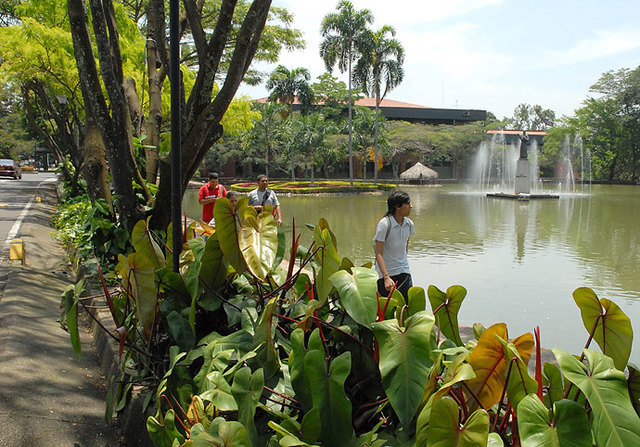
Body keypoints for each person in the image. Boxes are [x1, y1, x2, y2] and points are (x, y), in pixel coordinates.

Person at [373, 190, 415, 299]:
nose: (411, 206)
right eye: (407, 204)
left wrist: (403, 264)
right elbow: (379, 253)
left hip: (404, 271)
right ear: (398, 206)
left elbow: (405, 248)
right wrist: (386, 277)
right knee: (387, 307)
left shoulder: (409, 224)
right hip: (387, 275)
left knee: (406, 305)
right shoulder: (384, 224)